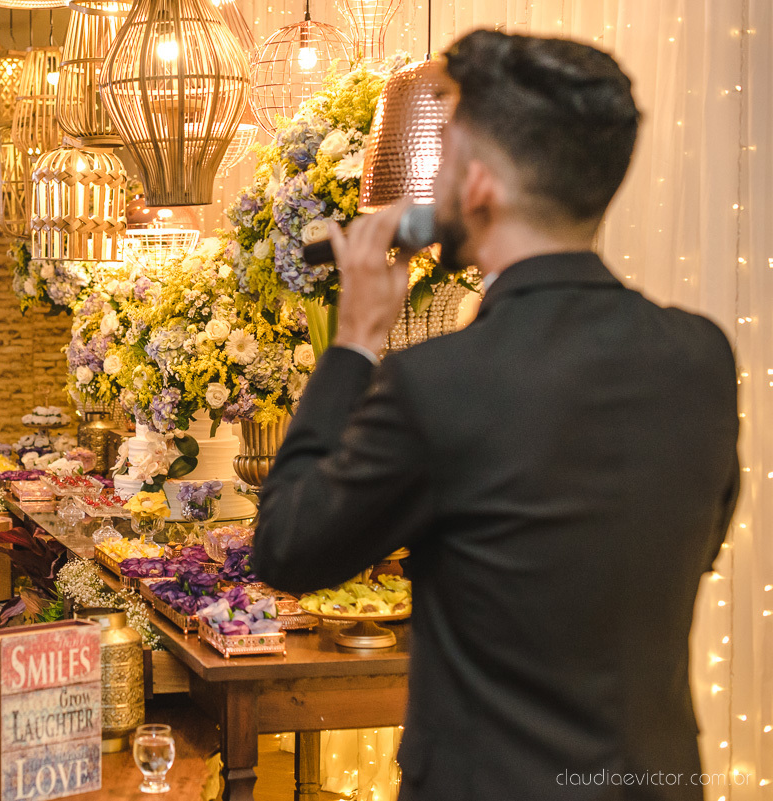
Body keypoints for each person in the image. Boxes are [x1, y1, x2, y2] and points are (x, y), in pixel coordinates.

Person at [252, 30, 739, 801]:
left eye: (443, 154)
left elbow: (285, 547)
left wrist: (351, 345)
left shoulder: (440, 382)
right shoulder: (702, 358)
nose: (432, 180)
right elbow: (692, 545)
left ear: (477, 181)